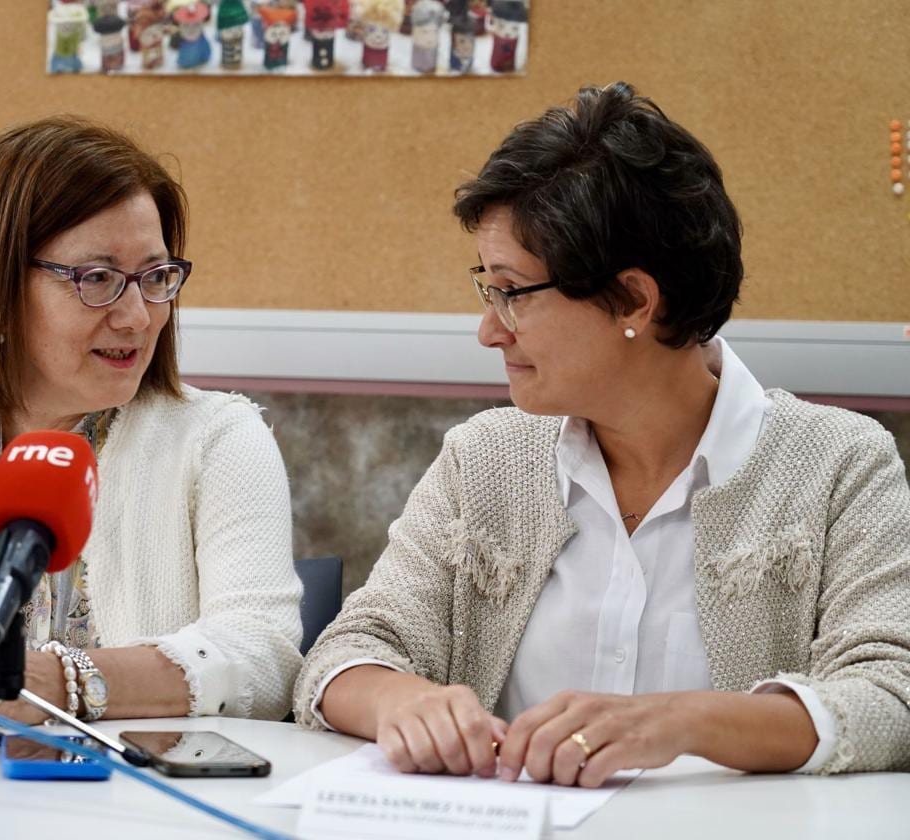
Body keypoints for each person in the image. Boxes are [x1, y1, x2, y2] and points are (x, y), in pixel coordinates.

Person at [294, 82, 910, 785]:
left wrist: (681, 722)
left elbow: (892, 694)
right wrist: (403, 700)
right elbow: (349, 650)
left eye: (512, 292)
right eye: (484, 288)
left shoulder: (839, 464)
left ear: (634, 301)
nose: (489, 330)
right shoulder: (485, 459)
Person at [0, 116, 303, 723]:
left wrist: (69, 680)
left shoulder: (218, 439)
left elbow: (268, 656)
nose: (138, 317)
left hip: (132, 809)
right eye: (97, 277)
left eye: (155, 278)